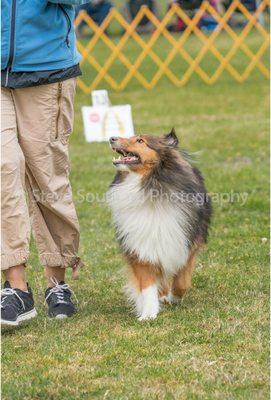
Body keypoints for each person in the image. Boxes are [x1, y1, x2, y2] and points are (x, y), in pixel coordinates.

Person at [1, 0, 88, 327]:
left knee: (47, 176)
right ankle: (16, 286)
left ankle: (57, 280)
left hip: (46, 67)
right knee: (3, 167)